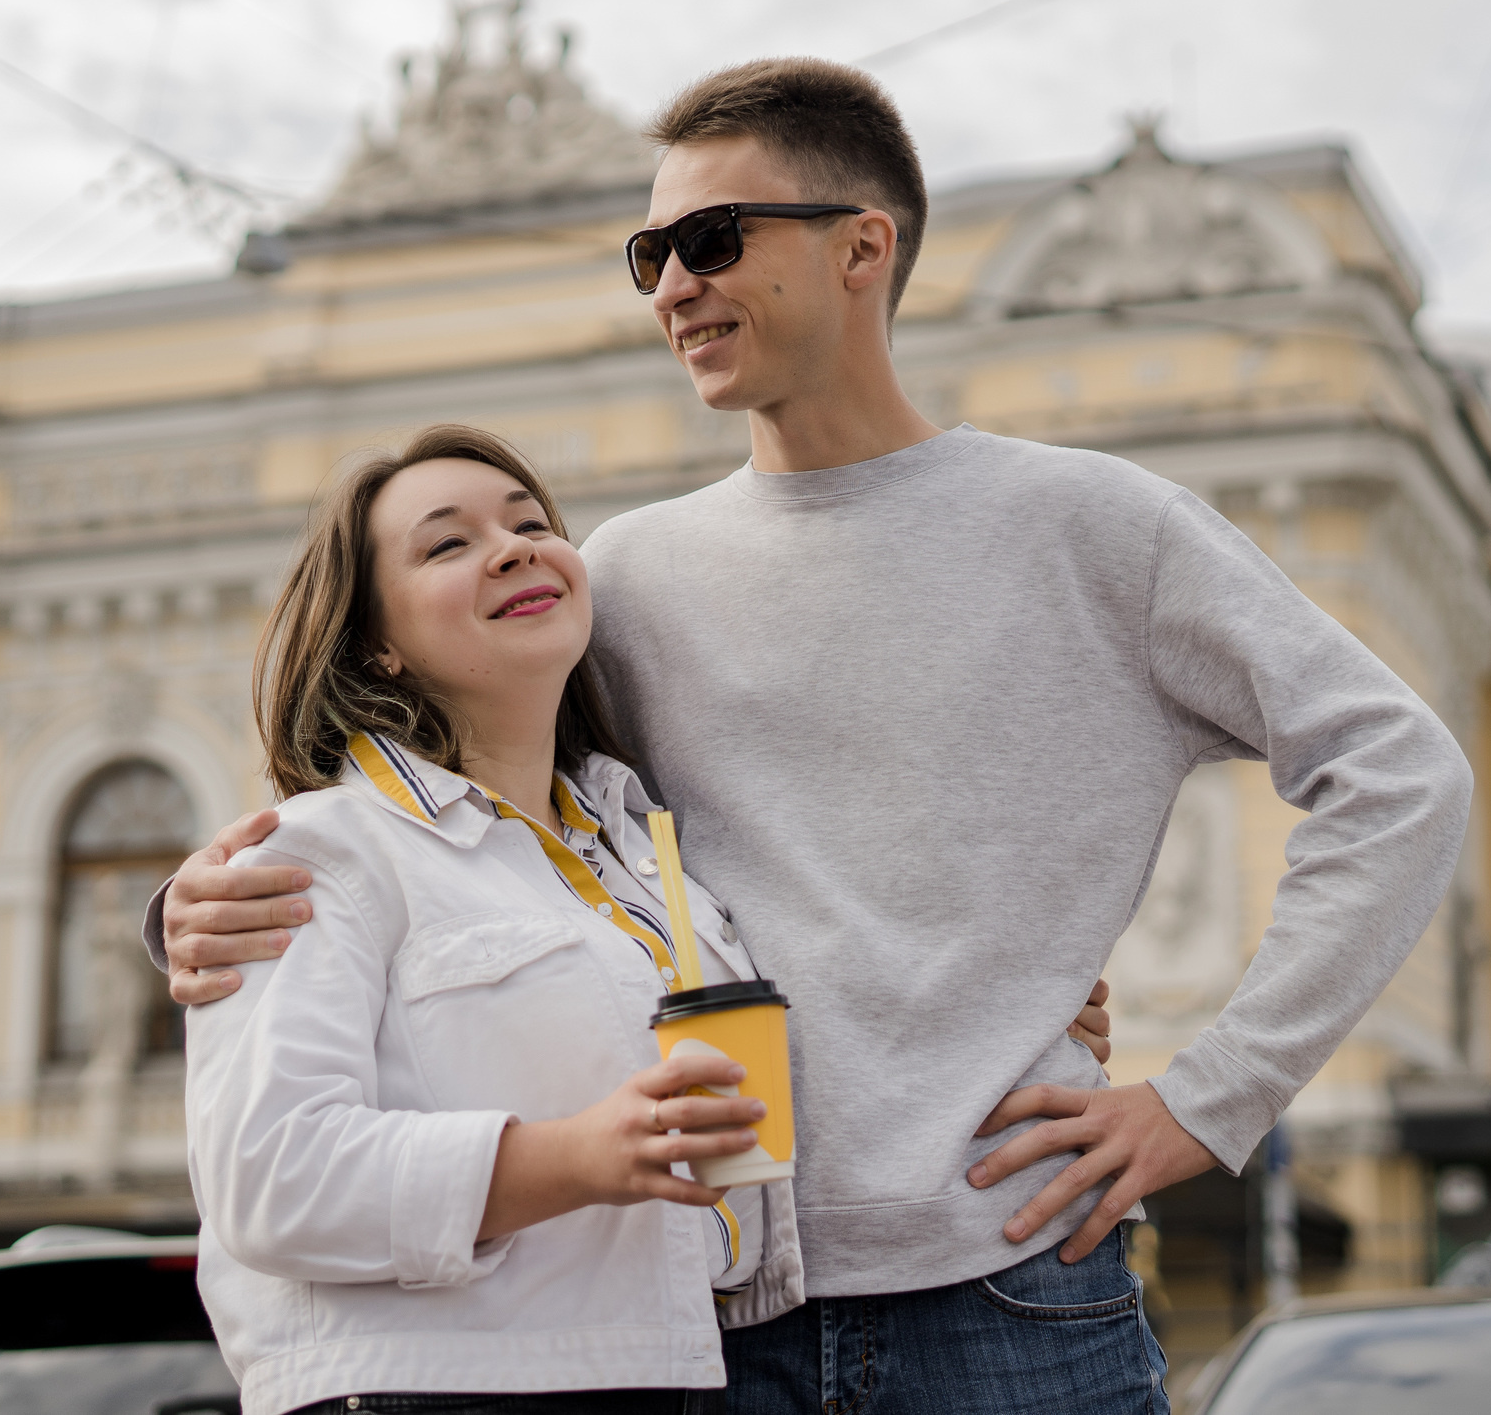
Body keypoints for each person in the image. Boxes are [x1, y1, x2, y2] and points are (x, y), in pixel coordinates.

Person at [158, 60, 1472, 1414]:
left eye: (713, 239)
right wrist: (205, 899)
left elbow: (1401, 771)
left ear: (862, 245)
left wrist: (1211, 1095)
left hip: (1015, 1288)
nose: (673, 283)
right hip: (699, 1316)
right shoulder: (627, 573)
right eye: (648, 253)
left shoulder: (1095, 526)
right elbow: (466, 813)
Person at [182, 424, 1112, 1415]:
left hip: (687, 1375)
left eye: (531, 523)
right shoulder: (318, 853)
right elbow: (268, 1178)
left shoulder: (645, 866)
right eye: (447, 544)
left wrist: (1006, 1011)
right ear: (378, 642)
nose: (512, 547)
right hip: (434, 1389)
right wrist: (576, 1156)